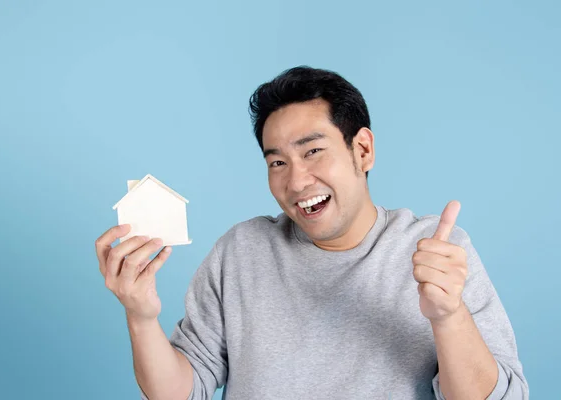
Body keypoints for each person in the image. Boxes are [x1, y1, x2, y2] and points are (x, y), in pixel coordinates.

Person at [95, 66, 528, 399]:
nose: (297, 181)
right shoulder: (240, 252)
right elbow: (179, 392)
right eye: (277, 162)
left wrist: (449, 318)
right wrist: (140, 315)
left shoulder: (437, 252)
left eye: (314, 152)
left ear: (362, 150)